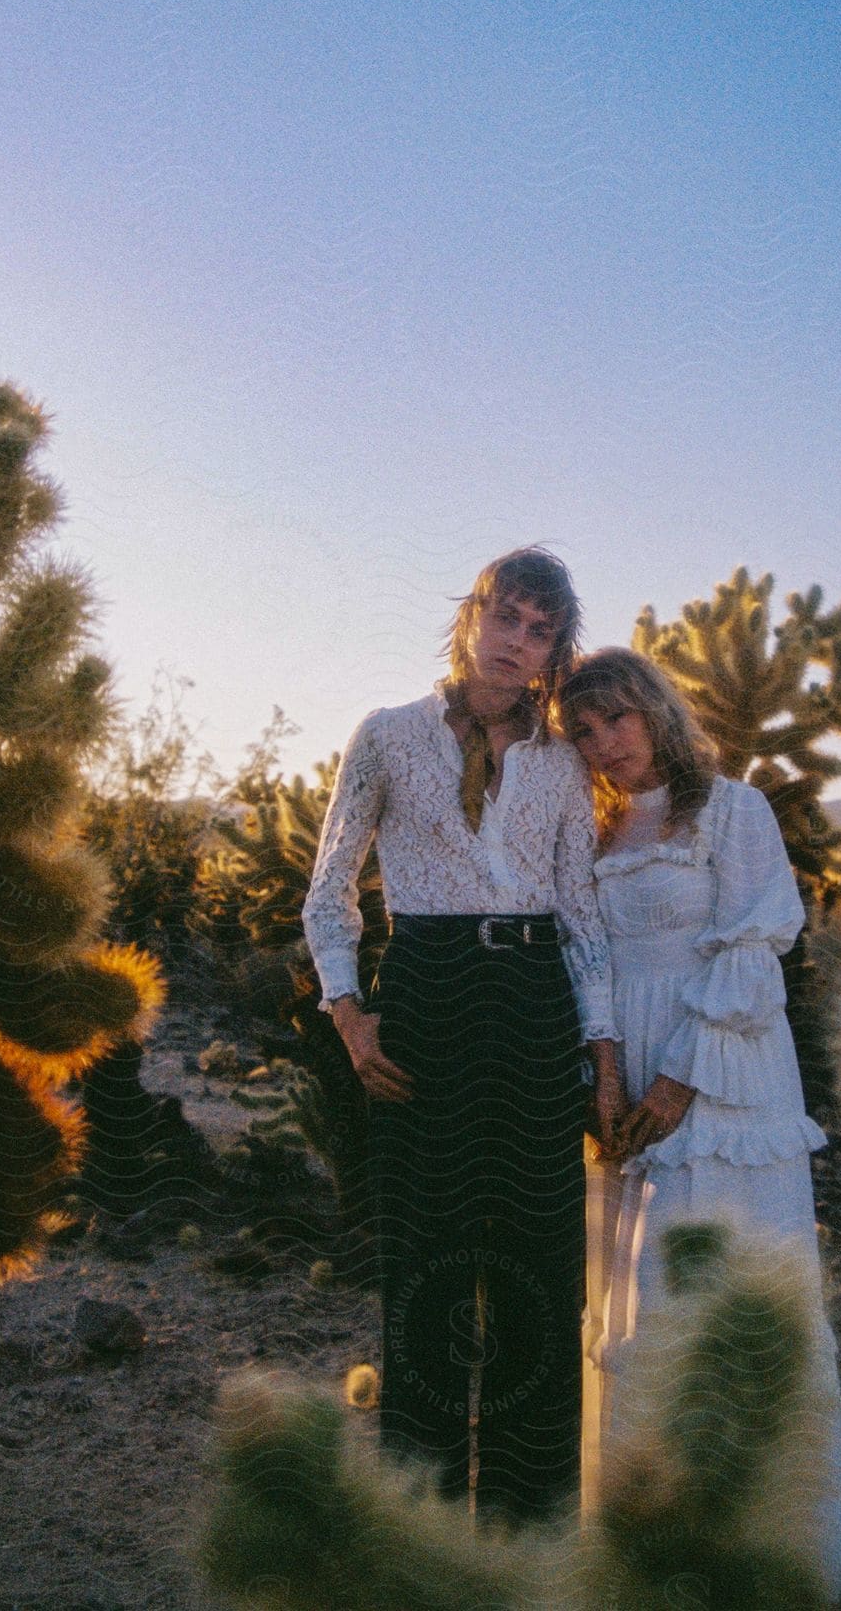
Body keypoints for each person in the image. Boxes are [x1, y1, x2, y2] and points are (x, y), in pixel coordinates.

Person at [302, 548, 614, 1527]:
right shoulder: (387, 738)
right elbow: (329, 887)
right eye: (506, 618)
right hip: (425, 998)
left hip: (532, 1001)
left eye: (540, 631)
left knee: (537, 1272)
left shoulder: (562, 764)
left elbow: (579, 912)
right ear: (471, 617)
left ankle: (527, 1536)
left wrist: (601, 1052)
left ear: (553, 649)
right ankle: (419, 1532)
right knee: (425, 1271)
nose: (518, 644)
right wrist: (350, 1016)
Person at [558, 647, 841, 1598]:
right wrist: (606, 1075)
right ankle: (651, 1546)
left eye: (619, 720)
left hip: (722, 1070)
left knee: (720, 1278)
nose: (606, 745)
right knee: (641, 1295)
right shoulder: (591, 830)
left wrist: (676, 1085)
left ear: (655, 710)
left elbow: (754, 945)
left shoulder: (733, 810)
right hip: (627, 1075)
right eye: (586, 731)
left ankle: (766, 1546)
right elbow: (587, 957)